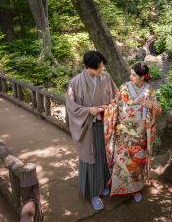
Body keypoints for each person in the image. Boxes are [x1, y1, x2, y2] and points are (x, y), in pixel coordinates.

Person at [65, 51, 118, 210]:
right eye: (100, 66)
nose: (102, 68)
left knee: (105, 156)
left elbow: (117, 97)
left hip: (106, 124)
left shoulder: (106, 78)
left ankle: (103, 185)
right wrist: (89, 111)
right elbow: (71, 107)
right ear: (90, 67)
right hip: (88, 127)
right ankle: (93, 193)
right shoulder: (75, 82)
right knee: (91, 158)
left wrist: (109, 108)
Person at [104, 62, 161, 202]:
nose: (130, 77)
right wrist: (107, 111)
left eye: (134, 75)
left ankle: (135, 189)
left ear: (142, 77)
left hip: (140, 133)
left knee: (137, 163)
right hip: (123, 132)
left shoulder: (150, 91)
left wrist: (152, 106)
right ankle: (118, 187)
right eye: (130, 74)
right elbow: (114, 105)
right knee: (122, 161)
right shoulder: (124, 87)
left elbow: (158, 108)